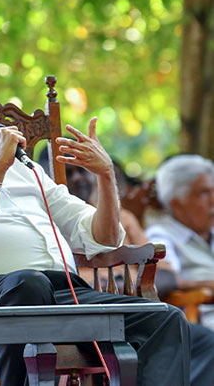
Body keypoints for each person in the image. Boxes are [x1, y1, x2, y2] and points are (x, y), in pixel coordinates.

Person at [0, 63, 190, 385]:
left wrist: (104, 177)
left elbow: (100, 239)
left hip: (65, 293)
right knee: (28, 285)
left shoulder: (24, 167)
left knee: (166, 318)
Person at [66, 160, 214, 386]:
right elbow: (69, 281)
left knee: (199, 338)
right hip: (90, 318)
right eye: (69, 172)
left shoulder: (122, 217)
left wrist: (123, 283)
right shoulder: (50, 220)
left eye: (83, 171)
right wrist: (121, 282)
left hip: (138, 313)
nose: (78, 178)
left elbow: (166, 274)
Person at [146, 155, 214, 327]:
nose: (213, 200)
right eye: (204, 193)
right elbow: (169, 282)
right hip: (203, 323)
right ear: (176, 203)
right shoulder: (160, 236)